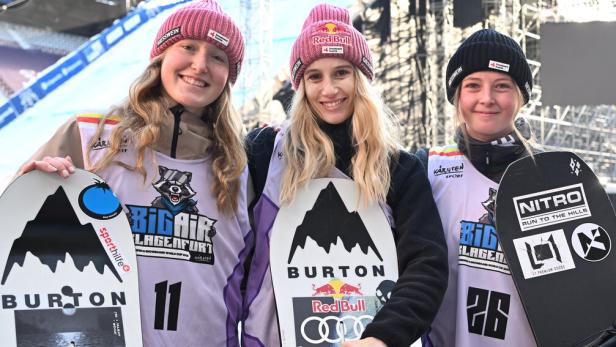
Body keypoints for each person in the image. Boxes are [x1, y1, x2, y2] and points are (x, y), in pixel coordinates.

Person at [19, 1, 251, 346]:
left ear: (228, 76)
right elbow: (17, 236)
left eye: (218, 56)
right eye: (188, 46)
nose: (200, 64)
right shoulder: (90, 136)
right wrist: (31, 189)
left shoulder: (238, 168)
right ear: (161, 56)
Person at [242, 4, 448, 347]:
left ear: (362, 78)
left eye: (342, 73)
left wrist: (382, 338)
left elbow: (426, 264)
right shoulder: (265, 151)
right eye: (315, 76)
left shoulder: (398, 166)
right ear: (301, 85)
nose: (329, 90)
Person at [417, 29, 539, 346]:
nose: (487, 98)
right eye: (473, 86)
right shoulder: (426, 168)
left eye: (502, 86)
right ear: (457, 96)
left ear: (521, 97)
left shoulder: (552, 173)